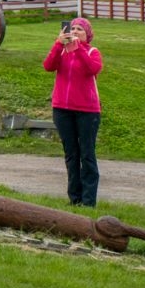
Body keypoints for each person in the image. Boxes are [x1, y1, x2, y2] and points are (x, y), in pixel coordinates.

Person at [42, 17, 103, 207]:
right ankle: (74, 198)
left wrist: (79, 50)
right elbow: (48, 66)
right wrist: (57, 44)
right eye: (73, 28)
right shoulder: (61, 52)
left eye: (80, 30)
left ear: (87, 35)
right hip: (62, 109)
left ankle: (88, 201)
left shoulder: (92, 52)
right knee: (71, 154)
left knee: (87, 154)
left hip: (87, 111)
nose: (75, 32)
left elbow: (92, 69)